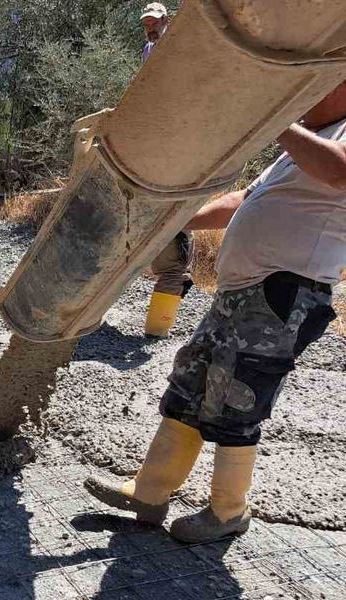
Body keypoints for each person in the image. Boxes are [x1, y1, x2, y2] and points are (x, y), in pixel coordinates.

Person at [84, 82, 346, 543]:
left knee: (239, 395)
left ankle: (228, 511)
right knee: (191, 381)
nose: (308, 94)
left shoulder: (328, 138)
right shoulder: (305, 141)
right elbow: (247, 198)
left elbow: (342, 173)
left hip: (286, 294)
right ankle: (149, 493)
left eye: (324, 84)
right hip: (240, 292)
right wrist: (180, 219)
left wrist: (277, 123)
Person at [139, 2, 197, 337]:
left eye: (154, 21)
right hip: (160, 139)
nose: (150, 26)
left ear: (167, 20)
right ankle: (177, 284)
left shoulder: (180, 44)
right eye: (146, 22)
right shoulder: (149, 49)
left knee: (173, 251)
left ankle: (157, 330)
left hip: (179, 139)